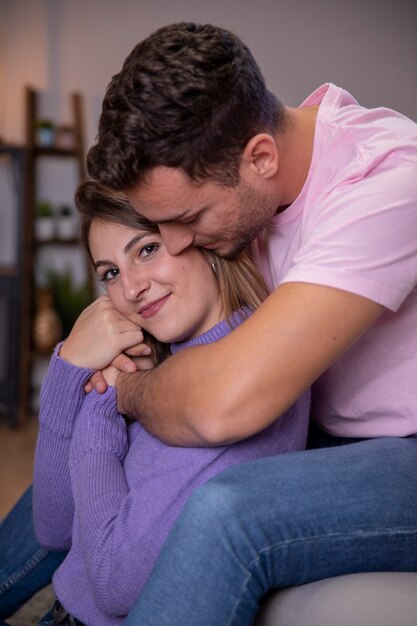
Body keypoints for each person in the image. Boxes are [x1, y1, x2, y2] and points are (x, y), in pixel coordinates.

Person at [85, 21, 417, 625]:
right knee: (102, 449)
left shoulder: (389, 180)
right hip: (317, 431)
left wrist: (125, 392)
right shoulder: (245, 182)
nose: (176, 243)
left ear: (261, 157)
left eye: (187, 218)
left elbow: (222, 405)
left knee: (225, 512)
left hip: (404, 451)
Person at [6, 180, 308, 626]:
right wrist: (69, 365)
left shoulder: (236, 383)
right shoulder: (160, 358)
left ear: (200, 238)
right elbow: (52, 528)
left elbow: (110, 580)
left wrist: (103, 403)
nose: (130, 288)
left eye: (146, 250)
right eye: (109, 272)